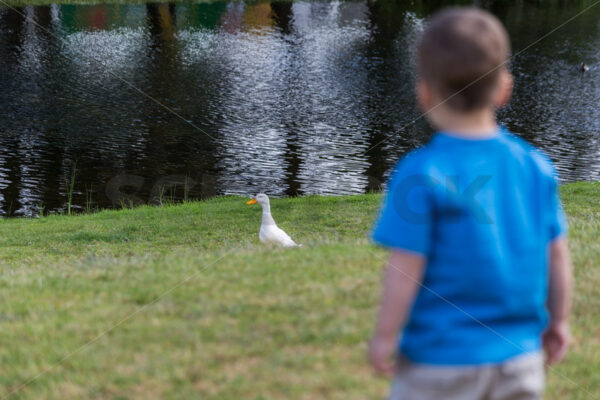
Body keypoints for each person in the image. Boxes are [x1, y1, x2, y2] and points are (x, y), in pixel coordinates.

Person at [369, 7, 573, 400]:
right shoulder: (535, 166)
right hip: (519, 359)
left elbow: (405, 266)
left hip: (438, 363)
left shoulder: (419, 173)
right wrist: (559, 320)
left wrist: (385, 335)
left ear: (424, 93)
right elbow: (557, 254)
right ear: (504, 89)